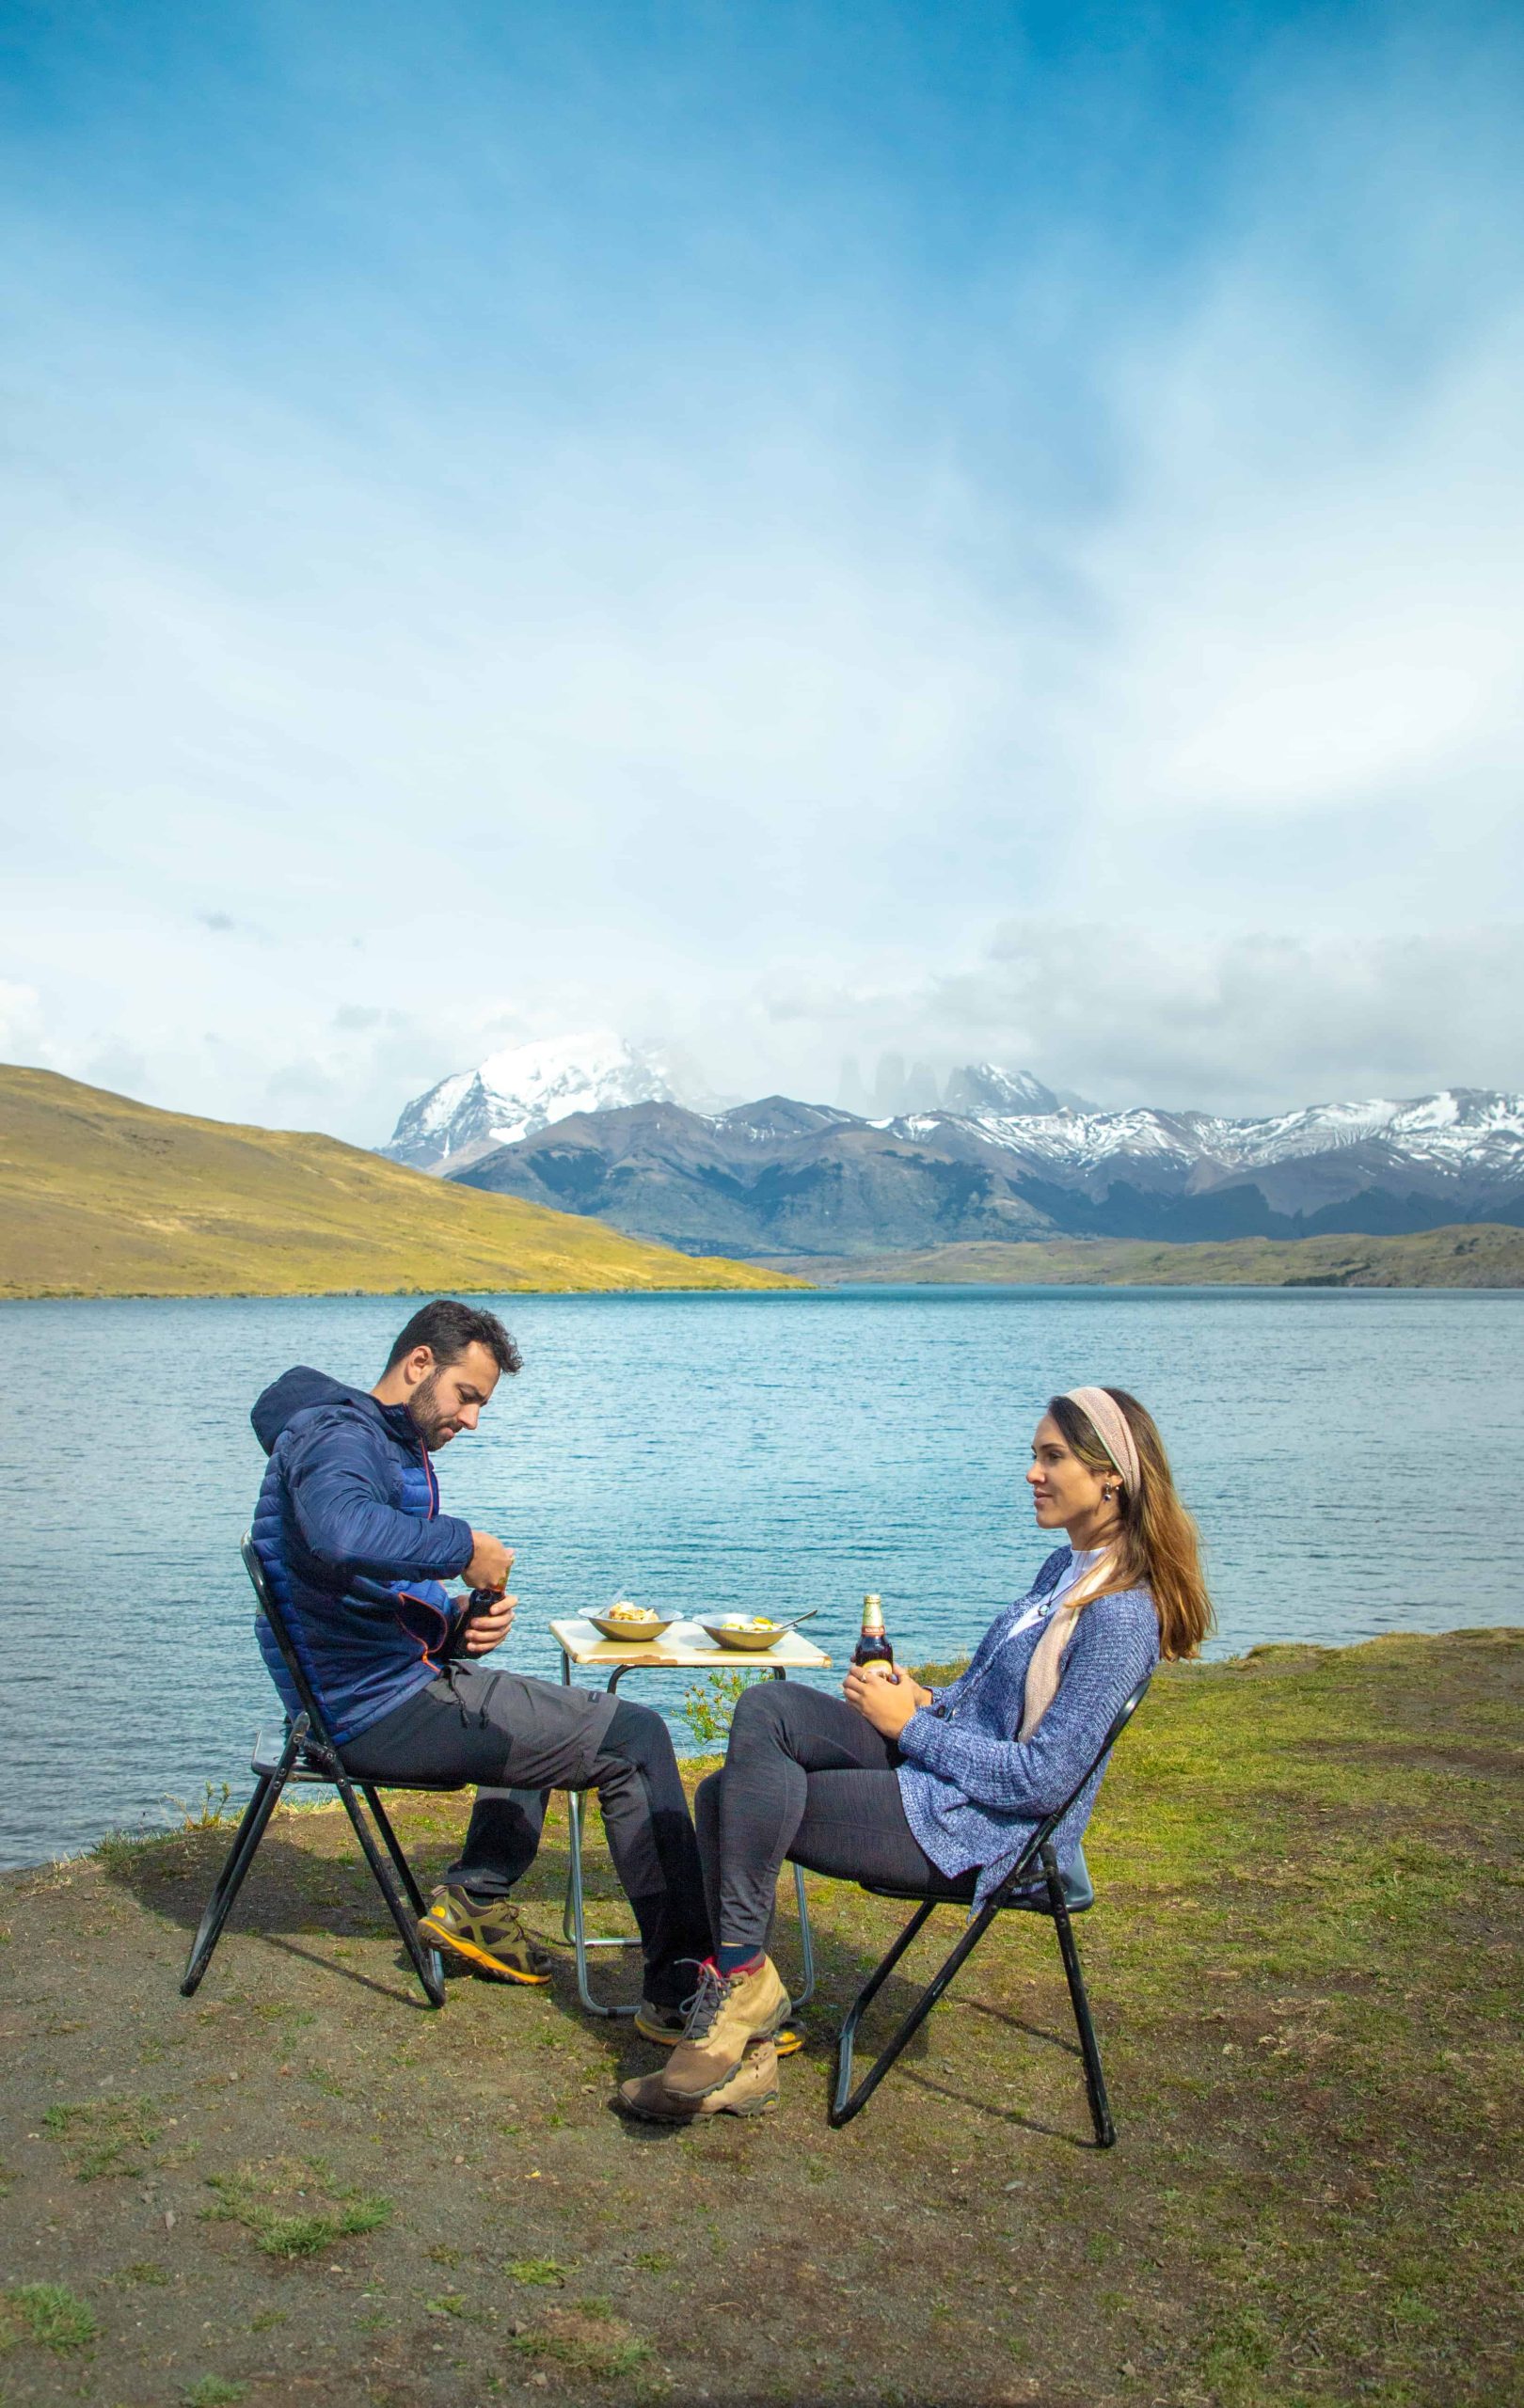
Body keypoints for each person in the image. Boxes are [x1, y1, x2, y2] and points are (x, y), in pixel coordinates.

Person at [615, 1384, 1212, 2121]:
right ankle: (744, 1996)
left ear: (1111, 1475)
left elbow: (1045, 1782)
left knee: (722, 1799)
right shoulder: (1065, 1571)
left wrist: (910, 1728)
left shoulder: (1120, 1612)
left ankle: (738, 2015)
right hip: (945, 1771)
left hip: (985, 1829)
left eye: (1052, 1457)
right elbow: (995, 1696)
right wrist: (926, 1698)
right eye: (1034, 1455)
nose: (1032, 1472)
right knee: (767, 1708)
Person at [250, 1297, 712, 2034]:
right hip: (368, 1713)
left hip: (368, 1691)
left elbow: (362, 1589)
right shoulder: (343, 1438)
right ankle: (685, 1988)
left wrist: (457, 1629)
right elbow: (341, 1533)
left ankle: (475, 1901)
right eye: (468, 1396)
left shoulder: (368, 1441)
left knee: (529, 1706)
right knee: (636, 1741)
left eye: (481, 1405)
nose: (471, 1420)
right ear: (419, 1363)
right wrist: (463, 1547)